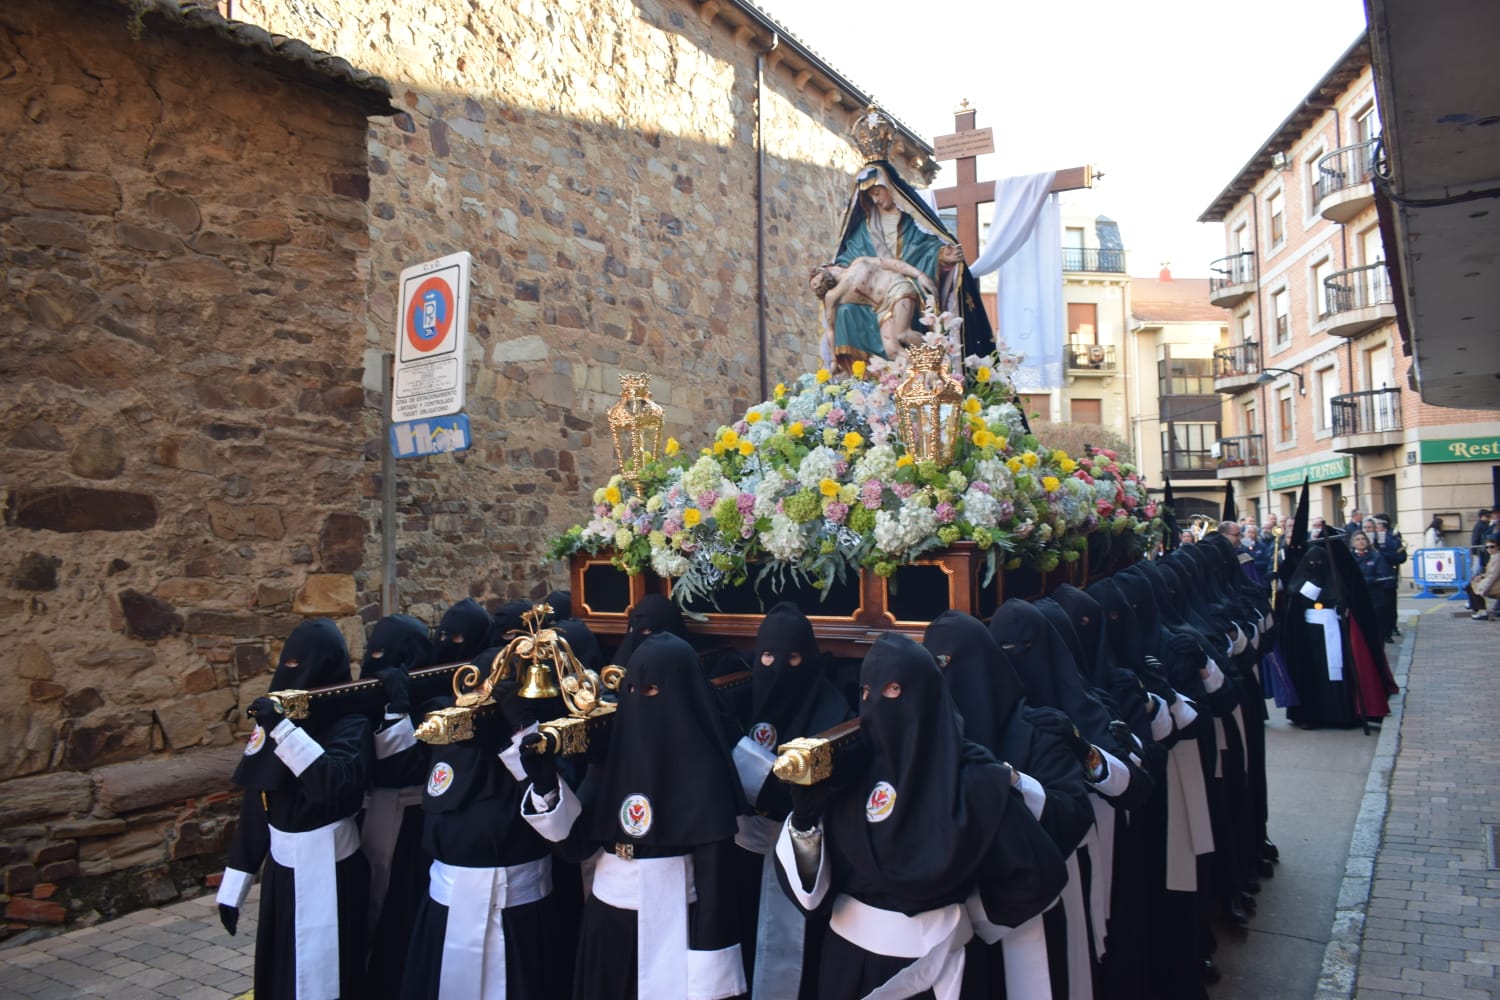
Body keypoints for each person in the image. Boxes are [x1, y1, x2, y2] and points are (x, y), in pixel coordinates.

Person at [775, 632, 1066, 1000]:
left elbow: (1036, 875)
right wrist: (804, 821)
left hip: (944, 969)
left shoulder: (976, 782)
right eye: (867, 693)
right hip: (847, 965)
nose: (877, 703)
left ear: (929, 696)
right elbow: (809, 897)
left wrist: (964, 919)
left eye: (894, 690)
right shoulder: (846, 778)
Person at [523, 632, 749, 1000]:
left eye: (653, 691)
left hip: (678, 912)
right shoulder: (613, 752)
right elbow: (576, 845)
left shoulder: (704, 766)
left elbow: (717, 883)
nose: (639, 700)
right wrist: (546, 784)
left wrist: (711, 970)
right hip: (608, 911)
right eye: (633, 689)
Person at [218, 619, 374, 1000]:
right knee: (282, 967)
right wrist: (234, 885)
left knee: (334, 970)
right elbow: (259, 803)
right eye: (288, 663)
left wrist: (285, 731)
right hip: (282, 874)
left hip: (334, 869)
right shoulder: (276, 718)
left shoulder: (351, 722)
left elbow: (332, 783)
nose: (292, 673)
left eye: (302, 664)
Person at [732, 603, 853, 998]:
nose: (778, 666)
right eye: (767, 656)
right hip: (741, 851)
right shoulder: (740, 698)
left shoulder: (832, 708)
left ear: (810, 657)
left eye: (794, 657)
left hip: (803, 854)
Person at [824, 160, 993, 372]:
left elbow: (926, 247)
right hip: (875, 301)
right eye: (871, 196)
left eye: (878, 192)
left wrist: (941, 256)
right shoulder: (864, 230)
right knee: (848, 311)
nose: (875, 199)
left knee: (899, 335)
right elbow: (844, 260)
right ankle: (865, 380)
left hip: (903, 289)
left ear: (890, 189)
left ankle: (938, 364)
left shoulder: (912, 221)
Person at [361, 614, 437, 1000]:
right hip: (371, 811)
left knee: (400, 907)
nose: (377, 661)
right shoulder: (365, 689)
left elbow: (404, 766)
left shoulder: (433, 695)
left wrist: (398, 708)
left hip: (412, 816)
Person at [1350, 532, 1397, 644]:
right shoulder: (1349, 558)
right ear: (1353, 543)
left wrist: (1367, 580)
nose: (1361, 541)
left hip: (1375, 599)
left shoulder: (1376, 556)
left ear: (1367, 541)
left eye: (1363, 539)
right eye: (1357, 539)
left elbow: (1383, 575)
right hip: (1357, 599)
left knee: (1377, 632)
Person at [1469, 538, 1500, 621]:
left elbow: (1493, 576)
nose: (1489, 549)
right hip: (1495, 583)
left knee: (1474, 587)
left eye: (1492, 547)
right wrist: (1481, 576)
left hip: (1496, 585)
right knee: (1471, 585)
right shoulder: (1494, 556)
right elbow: (1489, 573)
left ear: (1497, 547)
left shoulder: (1497, 558)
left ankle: (1481, 611)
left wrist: (1482, 587)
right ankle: (1478, 608)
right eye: (1487, 547)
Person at [1468, 510, 1493, 613]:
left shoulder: (1481, 525)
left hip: (1480, 556)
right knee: (1475, 579)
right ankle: (1475, 605)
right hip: (1480, 555)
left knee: (1475, 581)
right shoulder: (1482, 526)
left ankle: (1477, 606)